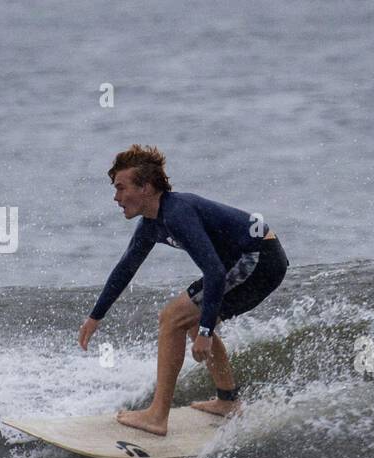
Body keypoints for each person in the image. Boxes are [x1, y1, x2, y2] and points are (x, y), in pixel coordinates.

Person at [77, 145, 288, 436]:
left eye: (121, 188)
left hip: (259, 257)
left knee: (172, 317)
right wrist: (95, 316)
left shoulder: (177, 213)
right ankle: (228, 401)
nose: (116, 197)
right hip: (247, 259)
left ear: (146, 188)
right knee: (188, 317)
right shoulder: (151, 224)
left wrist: (204, 333)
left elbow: (213, 272)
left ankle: (157, 416)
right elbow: (125, 269)